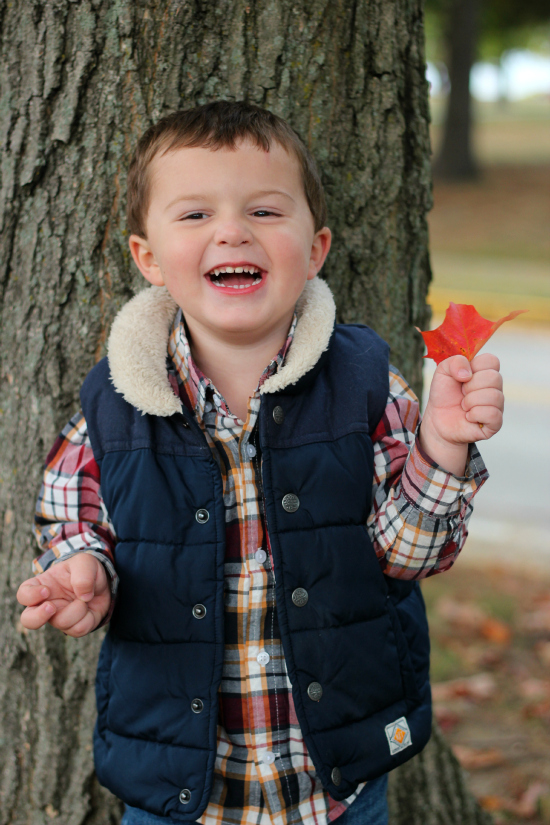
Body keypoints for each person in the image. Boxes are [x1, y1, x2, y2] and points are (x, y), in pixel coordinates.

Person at [16, 101, 503, 825]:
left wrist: (442, 445)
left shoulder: (366, 381)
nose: (232, 231)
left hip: (339, 783)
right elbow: (71, 515)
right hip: (180, 788)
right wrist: (86, 567)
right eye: (193, 215)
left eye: (266, 211)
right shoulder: (116, 404)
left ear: (316, 248)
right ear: (147, 257)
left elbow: (408, 556)